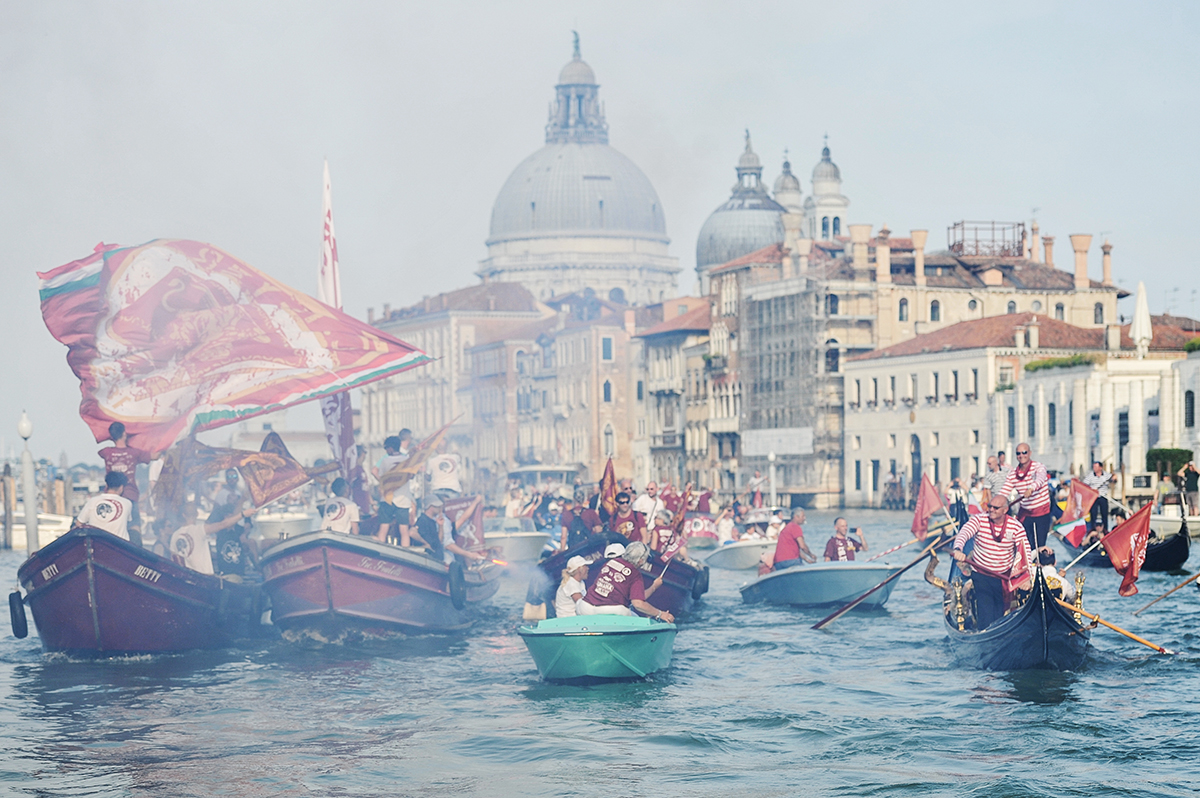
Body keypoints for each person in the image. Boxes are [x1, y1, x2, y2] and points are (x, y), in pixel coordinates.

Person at [951, 495, 1034, 629]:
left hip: (1003, 577)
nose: (991, 509)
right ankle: (986, 638)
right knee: (986, 612)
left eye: (996, 508)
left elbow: (1025, 551)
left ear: (1005, 510)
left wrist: (1026, 577)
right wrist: (958, 549)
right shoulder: (979, 520)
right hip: (981, 574)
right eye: (989, 506)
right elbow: (964, 532)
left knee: (1000, 614)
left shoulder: (1016, 527)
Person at [577, 542, 673, 621]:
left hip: (585, 607)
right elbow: (638, 604)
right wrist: (660, 614)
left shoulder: (610, 563)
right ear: (640, 561)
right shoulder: (635, 574)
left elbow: (637, 597)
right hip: (612, 610)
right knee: (637, 619)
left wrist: (654, 586)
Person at [97, 421, 153, 545]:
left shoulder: (106, 452)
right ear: (124, 433)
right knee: (134, 527)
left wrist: (114, 437)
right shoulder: (134, 453)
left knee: (112, 527)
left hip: (111, 497)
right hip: (129, 495)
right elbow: (153, 456)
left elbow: (100, 452)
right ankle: (137, 555)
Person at [169, 501, 256, 574]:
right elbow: (223, 524)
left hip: (186, 578)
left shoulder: (175, 535)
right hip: (203, 577)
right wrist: (243, 514)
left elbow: (174, 560)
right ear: (197, 514)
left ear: (183, 515)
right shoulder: (200, 529)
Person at [1002, 443, 1052, 549]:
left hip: (1041, 513)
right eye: (1018, 453)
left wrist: (1031, 488)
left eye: (1024, 452)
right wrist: (996, 504)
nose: (1021, 455)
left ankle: (1038, 562)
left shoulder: (1039, 467)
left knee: (1040, 545)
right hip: (1025, 513)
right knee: (1024, 545)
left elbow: (1041, 478)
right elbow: (1004, 492)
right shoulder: (1012, 475)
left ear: (1029, 453)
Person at [413, 498, 486, 566]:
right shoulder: (439, 520)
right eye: (439, 506)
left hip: (439, 559)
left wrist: (475, 502)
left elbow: (463, 518)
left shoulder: (438, 520)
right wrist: (470, 555)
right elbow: (447, 544)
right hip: (444, 561)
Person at [375, 435, 416, 544]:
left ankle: (380, 552)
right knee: (404, 530)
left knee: (383, 528)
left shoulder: (385, 461)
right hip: (404, 499)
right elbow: (411, 476)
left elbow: (382, 478)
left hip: (388, 498)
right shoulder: (406, 460)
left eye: (386, 448)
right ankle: (406, 553)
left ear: (391, 448)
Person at [74, 471, 133, 541]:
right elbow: (129, 523)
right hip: (119, 547)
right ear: (121, 487)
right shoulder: (127, 503)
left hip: (96, 544)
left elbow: (79, 523)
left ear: (107, 486)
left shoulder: (92, 501)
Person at [1083, 461, 1113, 532]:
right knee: (1093, 514)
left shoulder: (1106, 475)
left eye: (1096, 467)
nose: (1094, 468)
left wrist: (1114, 478)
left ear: (1100, 467)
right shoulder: (1090, 476)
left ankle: (1105, 530)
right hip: (1094, 497)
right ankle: (1093, 530)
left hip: (1103, 496)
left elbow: (1113, 478)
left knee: (1104, 514)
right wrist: (1091, 490)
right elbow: (1084, 485)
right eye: (1094, 467)